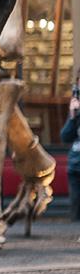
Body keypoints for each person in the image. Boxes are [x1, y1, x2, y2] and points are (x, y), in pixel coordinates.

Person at [60, 80, 80, 221]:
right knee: (76, 209)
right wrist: (72, 117)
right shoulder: (77, 111)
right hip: (76, 165)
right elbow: (65, 137)